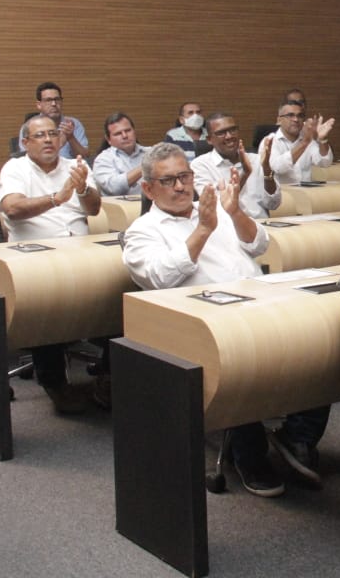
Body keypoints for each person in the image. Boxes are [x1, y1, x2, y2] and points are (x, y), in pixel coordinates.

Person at [121, 142, 324, 495]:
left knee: (321, 342)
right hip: (200, 326)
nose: (181, 187)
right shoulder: (142, 231)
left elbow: (260, 245)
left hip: (256, 303)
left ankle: (297, 437)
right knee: (241, 362)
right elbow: (159, 278)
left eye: (185, 176)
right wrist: (203, 229)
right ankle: (248, 454)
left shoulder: (215, 206)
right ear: (148, 189)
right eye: (169, 181)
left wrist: (235, 212)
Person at [0, 114, 102, 413]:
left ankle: (110, 375)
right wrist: (57, 198)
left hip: (81, 252)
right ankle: (55, 384)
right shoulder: (15, 168)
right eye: (40, 135)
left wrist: (83, 190)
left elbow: (94, 209)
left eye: (53, 134)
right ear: (25, 142)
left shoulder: (75, 166)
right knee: (47, 305)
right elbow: (12, 208)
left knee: (117, 292)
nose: (48, 140)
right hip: (35, 260)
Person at [192, 112, 281, 218]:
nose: (229, 136)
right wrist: (245, 174)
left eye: (232, 130)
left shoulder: (257, 160)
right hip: (227, 226)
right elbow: (218, 207)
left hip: (261, 224)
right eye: (221, 133)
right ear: (209, 140)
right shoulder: (200, 165)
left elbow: (273, 204)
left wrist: (267, 171)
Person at [263, 101, 334, 186]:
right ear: (279, 120)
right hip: (281, 192)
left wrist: (322, 140)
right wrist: (304, 143)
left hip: (305, 192)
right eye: (290, 115)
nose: (296, 119)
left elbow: (325, 162)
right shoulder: (270, 140)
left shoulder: (307, 139)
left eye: (300, 116)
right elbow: (278, 168)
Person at [20, 82, 88, 160]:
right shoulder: (29, 126)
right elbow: (26, 159)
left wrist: (71, 138)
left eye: (57, 99)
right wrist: (58, 144)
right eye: (48, 100)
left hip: (70, 166)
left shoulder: (73, 124)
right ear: (39, 105)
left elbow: (85, 157)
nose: (54, 104)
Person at [92, 112, 147, 196]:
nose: (125, 136)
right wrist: (146, 166)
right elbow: (113, 188)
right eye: (118, 134)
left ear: (134, 131)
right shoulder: (102, 159)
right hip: (120, 204)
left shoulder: (151, 152)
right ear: (108, 139)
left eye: (128, 130)